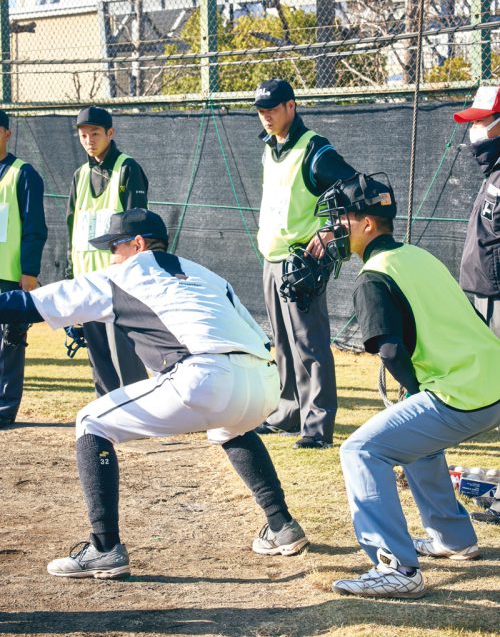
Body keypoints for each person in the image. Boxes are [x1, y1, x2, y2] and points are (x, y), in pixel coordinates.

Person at [0, 208, 308, 578]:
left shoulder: (125, 272)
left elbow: (25, 305)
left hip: (205, 376)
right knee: (233, 426)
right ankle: (282, 525)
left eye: (115, 246)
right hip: (263, 381)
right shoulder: (206, 274)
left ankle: (105, 547)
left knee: (90, 422)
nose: (111, 255)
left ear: (138, 244)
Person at [314, 172, 500, 598]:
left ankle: (395, 567)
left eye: (342, 219)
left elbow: (392, 352)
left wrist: (415, 390)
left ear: (366, 224)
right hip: (492, 382)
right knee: (414, 439)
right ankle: (453, 538)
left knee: (360, 449)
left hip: (462, 395)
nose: (335, 228)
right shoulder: (417, 255)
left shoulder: (374, 275)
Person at [254, 79, 357, 449]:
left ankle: (317, 427)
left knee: (309, 344)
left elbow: (355, 188)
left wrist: (331, 232)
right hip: (272, 258)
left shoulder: (314, 148)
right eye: (261, 110)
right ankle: (288, 413)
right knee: (282, 342)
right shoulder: (271, 148)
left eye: (273, 108)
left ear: (291, 107)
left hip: (301, 263)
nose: (266, 115)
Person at [66, 106, 149, 395]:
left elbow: (139, 224)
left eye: (95, 133)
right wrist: (71, 274)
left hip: (118, 278)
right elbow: (72, 225)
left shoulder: (127, 169)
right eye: (83, 135)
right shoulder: (79, 175)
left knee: (122, 347)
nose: (89, 140)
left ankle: (140, 407)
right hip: (87, 277)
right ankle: (108, 407)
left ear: (110, 133)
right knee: (98, 352)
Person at [0, 109, 47, 427]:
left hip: (9, 276)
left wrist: (28, 272)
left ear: (6, 133)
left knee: (10, 344)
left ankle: (4, 410)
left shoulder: (23, 173)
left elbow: (34, 227)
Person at [453, 85, 500, 337]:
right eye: (473, 122)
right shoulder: (493, 171)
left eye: (481, 121)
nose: (474, 129)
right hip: (485, 290)